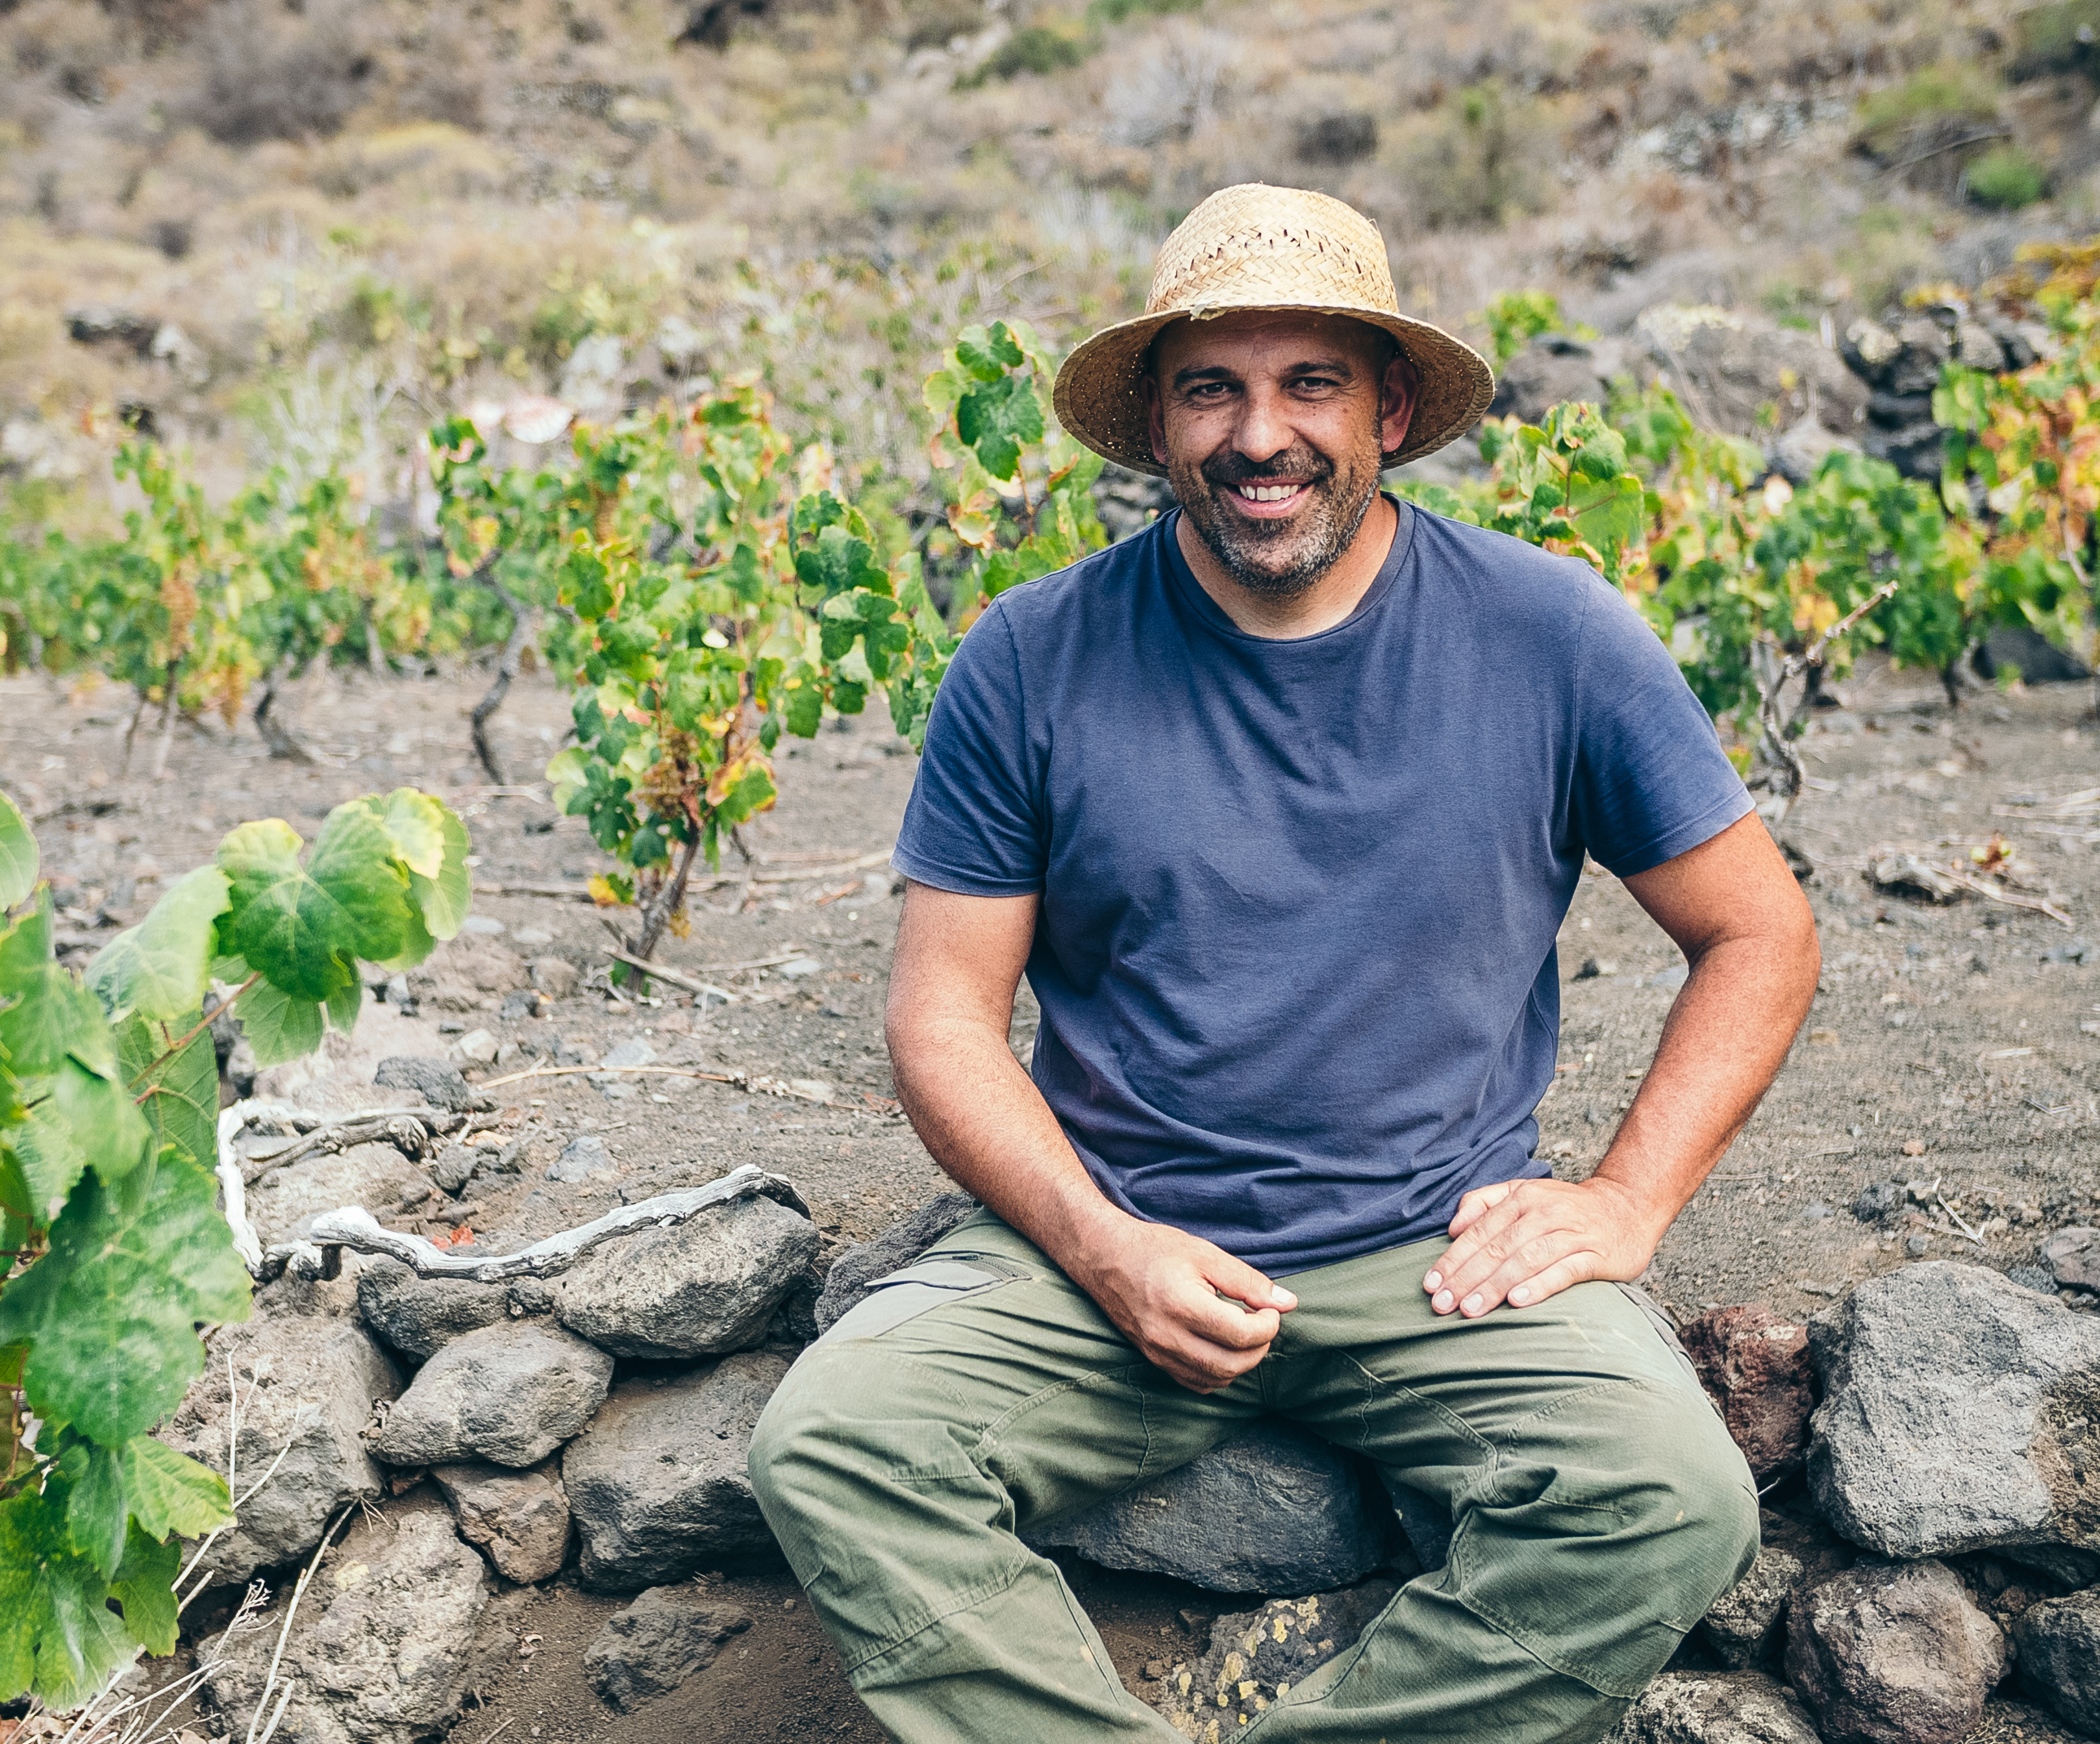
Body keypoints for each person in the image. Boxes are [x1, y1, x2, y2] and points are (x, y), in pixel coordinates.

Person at [749, 183, 1818, 1743]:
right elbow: (944, 1016)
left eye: (1308, 383)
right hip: (1098, 1249)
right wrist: (1105, 1244)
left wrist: (1624, 1197)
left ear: (1388, 404)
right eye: (1213, 388)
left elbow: (1761, 930)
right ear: (1159, 426)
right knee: (834, 1445)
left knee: (1669, 1497)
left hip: (1431, 1256)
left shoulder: (1551, 633)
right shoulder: (1033, 656)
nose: (1262, 434)